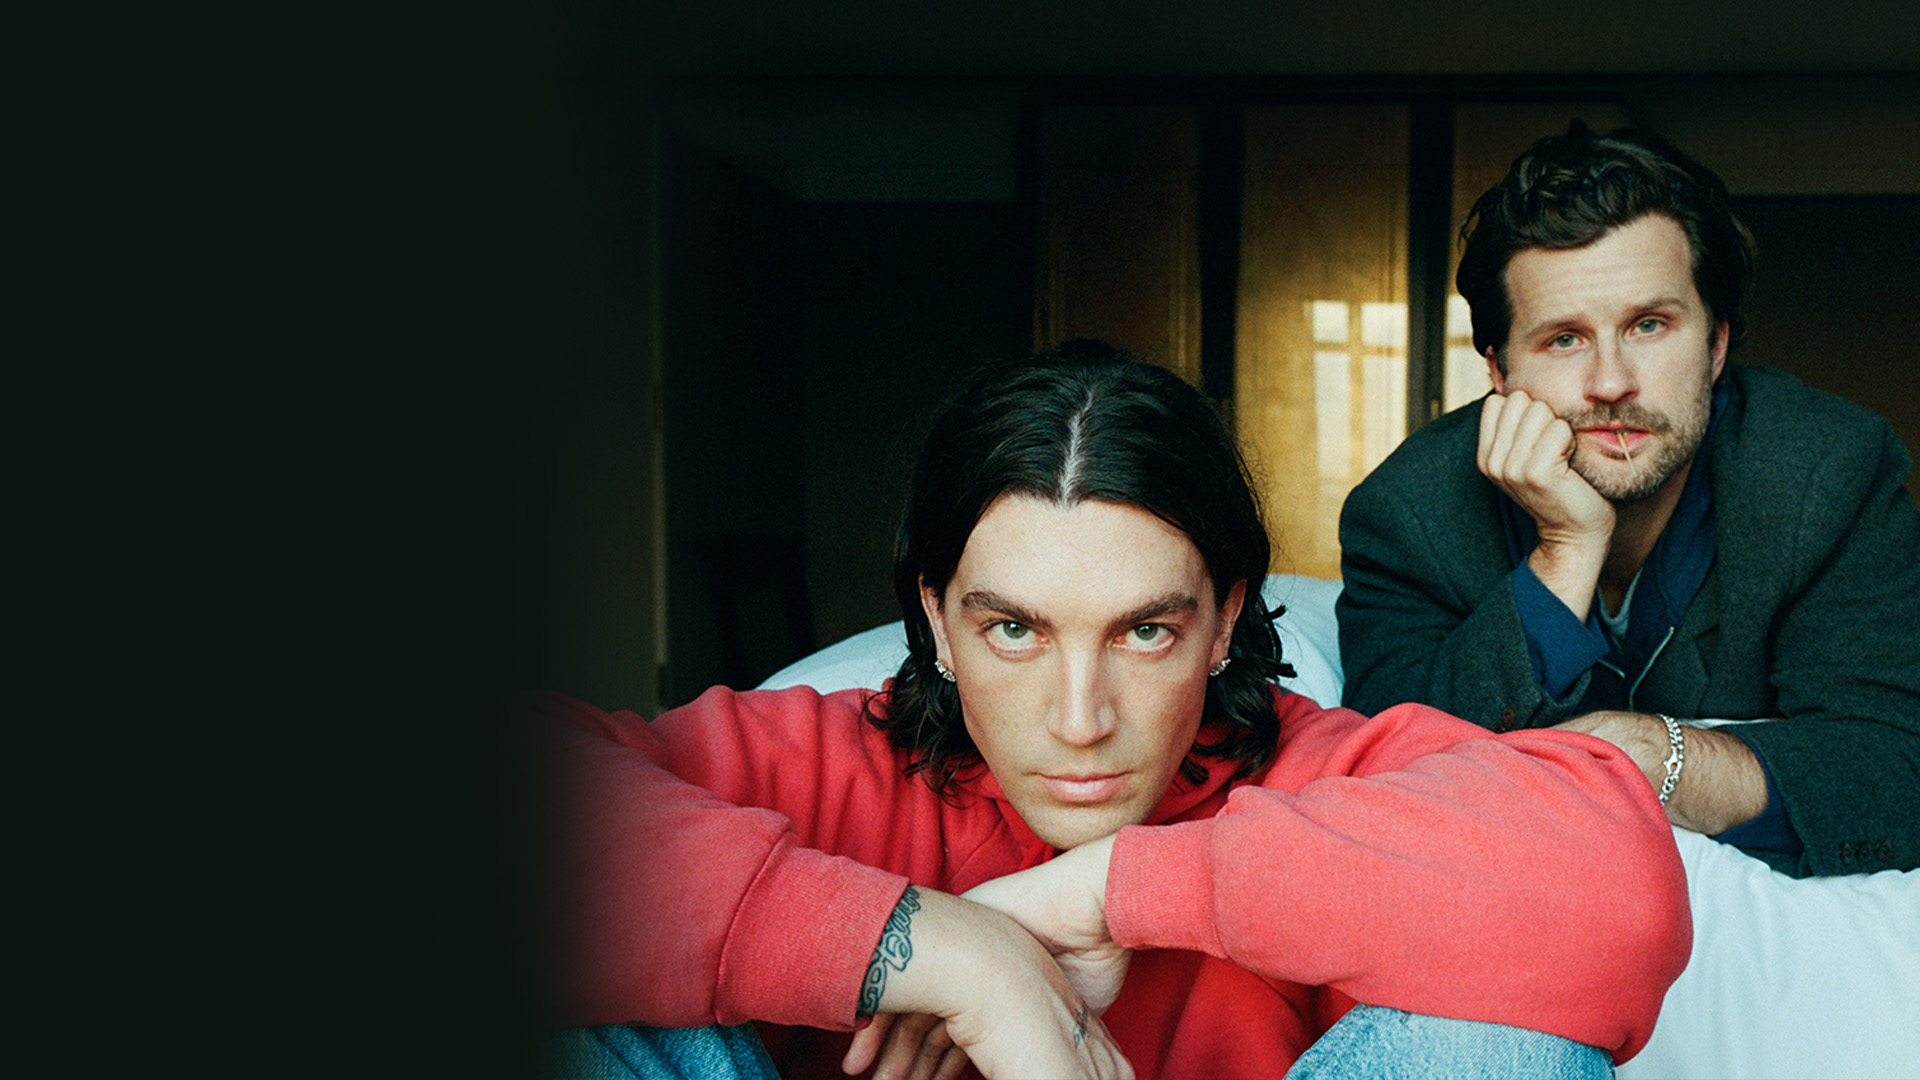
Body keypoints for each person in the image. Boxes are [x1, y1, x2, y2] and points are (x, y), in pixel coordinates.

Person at [537, 342, 1688, 1080]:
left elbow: (1624, 891)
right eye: (1014, 630)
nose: (1080, 718)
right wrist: (947, 952)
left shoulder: (1321, 782)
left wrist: (1101, 894)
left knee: (1501, 1057)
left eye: (1146, 631)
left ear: (1227, 620)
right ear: (937, 622)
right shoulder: (808, 761)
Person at [1337, 122, 1920, 879]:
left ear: (1716, 343)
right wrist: (1565, 551)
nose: (1611, 382)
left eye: (1649, 325)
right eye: (1564, 340)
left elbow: (1895, 765)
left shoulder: (1829, 472)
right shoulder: (1406, 515)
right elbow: (1391, 797)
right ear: (1499, 370)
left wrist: (1654, 757)